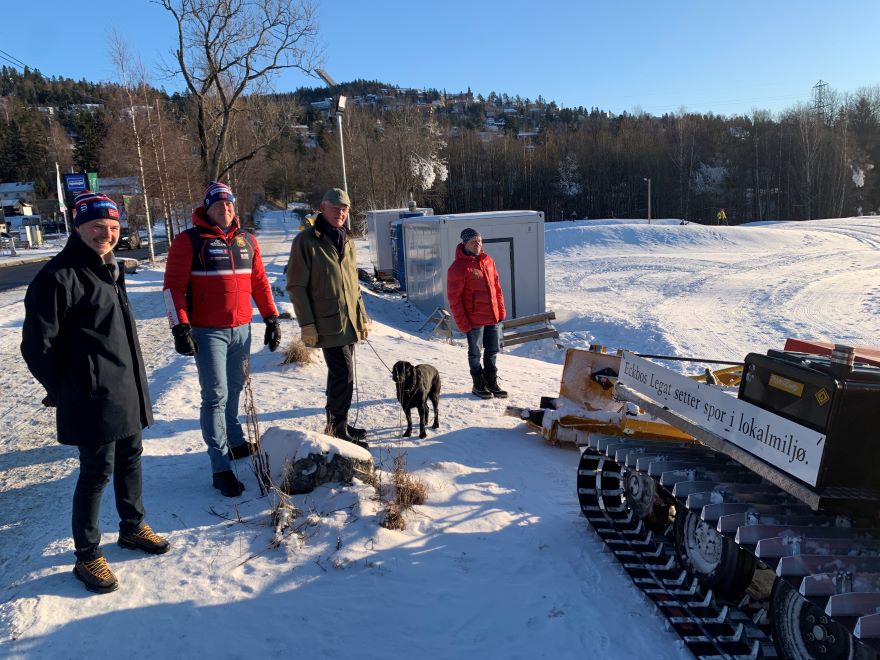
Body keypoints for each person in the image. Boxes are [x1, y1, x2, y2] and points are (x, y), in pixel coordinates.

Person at [21, 191, 170, 595]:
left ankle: (133, 527)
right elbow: (36, 346)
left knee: (131, 459)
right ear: (79, 227)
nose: (107, 234)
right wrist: (63, 387)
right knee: (95, 473)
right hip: (90, 395)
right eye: (98, 227)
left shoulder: (109, 268)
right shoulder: (58, 277)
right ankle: (87, 554)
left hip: (125, 390)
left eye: (114, 228)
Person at [163, 181, 281, 497]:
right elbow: (172, 288)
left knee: (235, 387)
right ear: (207, 208)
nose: (225, 209)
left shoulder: (248, 241)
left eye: (229, 204)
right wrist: (180, 327)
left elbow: (259, 283)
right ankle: (220, 466)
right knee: (215, 395)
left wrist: (271, 317)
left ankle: (236, 441)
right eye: (218, 205)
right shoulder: (189, 241)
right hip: (208, 330)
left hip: (242, 329)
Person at [286, 188, 370, 448]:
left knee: (344, 375)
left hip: (349, 321)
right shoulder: (307, 241)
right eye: (335, 208)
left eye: (344, 209)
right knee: (342, 373)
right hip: (326, 321)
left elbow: (353, 285)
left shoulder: (348, 240)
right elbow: (296, 286)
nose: (341, 213)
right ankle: (337, 429)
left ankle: (339, 423)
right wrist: (307, 324)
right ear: (323, 208)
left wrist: (362, 317)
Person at [446, 227, 508, 399]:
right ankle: (478, 384)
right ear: (465, 243)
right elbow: (454, 299)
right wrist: (463, 323)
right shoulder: (458, 268)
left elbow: (497, 288)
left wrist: (501, 310)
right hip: (474, 321)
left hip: (492, 317)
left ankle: (491, 382)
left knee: (492, 350)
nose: (477, 244)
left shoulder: (488, 261)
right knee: (475, 353)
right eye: (473, 241)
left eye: (479, 241)